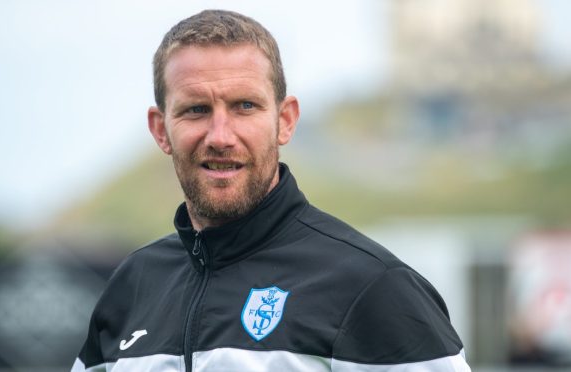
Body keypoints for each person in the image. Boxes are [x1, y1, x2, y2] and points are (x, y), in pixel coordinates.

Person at [72, 9, 471, 372]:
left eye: (245, 106)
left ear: (285, 120)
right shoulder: (132, 286)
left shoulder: (374, 287)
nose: (220, 136)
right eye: (196, 109)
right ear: (161, 129)